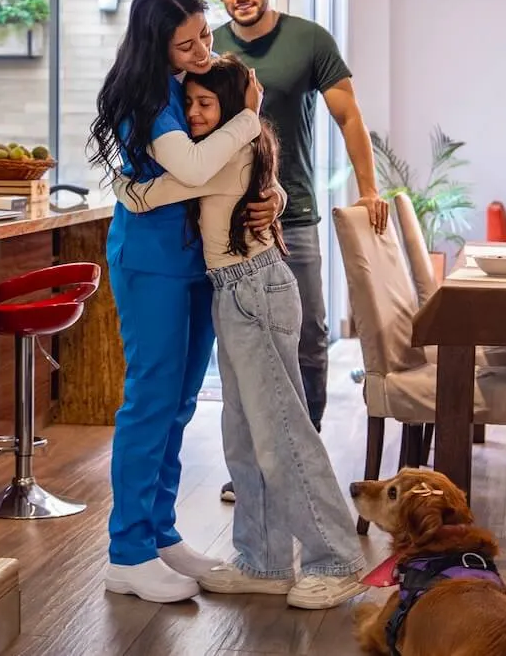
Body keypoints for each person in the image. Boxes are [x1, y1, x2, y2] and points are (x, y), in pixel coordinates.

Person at [113, 55, 366, 608]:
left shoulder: (228, 151)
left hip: (255, 291)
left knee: (282, 434)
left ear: (230, 107)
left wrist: (127, 185)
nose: (193, 114)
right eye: (190, 103)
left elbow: (146, 194)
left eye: (206, 104)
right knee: (245, 436)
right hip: (234, 293)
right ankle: (264, 560)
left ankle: (337, 558)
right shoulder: (229, 146)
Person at [88, 0, 282, 604]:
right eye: (186, 44)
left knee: (179, 403)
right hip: (151, 265)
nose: (203, 51)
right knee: (150, 401)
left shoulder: (191, 85)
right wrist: (249, 116)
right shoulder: (142, 100)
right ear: (155, 46)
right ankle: (128, 553)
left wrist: (271, 194)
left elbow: (232, 168)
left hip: (197, 261)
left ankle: (160, 533)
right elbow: (198, 167)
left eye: (204, 35)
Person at [208, 0, 388, 503]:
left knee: (307, 336)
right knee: (241, 344)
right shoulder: (211, 48)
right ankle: (252, 467)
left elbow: (348, 116)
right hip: (225, 218)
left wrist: (368, 189)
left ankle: (300, 461)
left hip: (296, 214)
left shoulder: (309, 40)